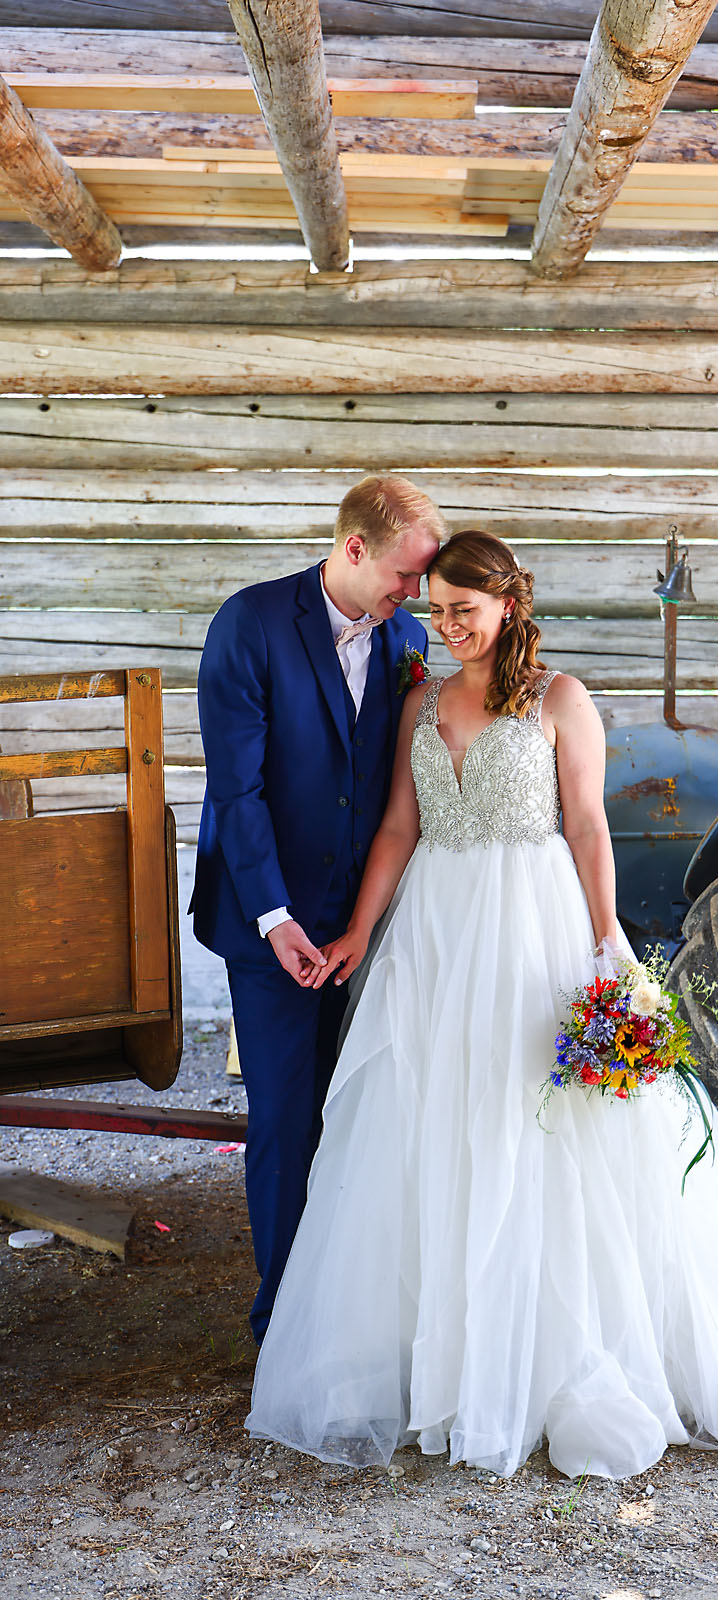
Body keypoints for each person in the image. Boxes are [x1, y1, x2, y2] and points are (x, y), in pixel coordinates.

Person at [245, 530, 718, 1479]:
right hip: (437, 929)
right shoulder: (418, 699)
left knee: (546, 1124)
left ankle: (546, 1350)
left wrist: (605, 941)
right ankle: (438, 1351)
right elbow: (400, 825)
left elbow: (585, 824)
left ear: (508, 605)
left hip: (532, 923)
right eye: (435, 611)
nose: (445, 629)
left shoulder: (559, 700)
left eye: (462, 611)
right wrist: (362, 931)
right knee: (434, 1120)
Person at [192, 474, 447, 1347]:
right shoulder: (251, 624)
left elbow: (394, 791)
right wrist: (276, 919)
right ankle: (285, 1328)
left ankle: (361, 1316)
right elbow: (236, 790)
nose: (416, 596)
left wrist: (371, 921)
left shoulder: (404, 636)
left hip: (370, 924)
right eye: (406, 575)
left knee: (372, 1109)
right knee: (286, 1118)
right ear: (353, 550)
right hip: (274, 925)